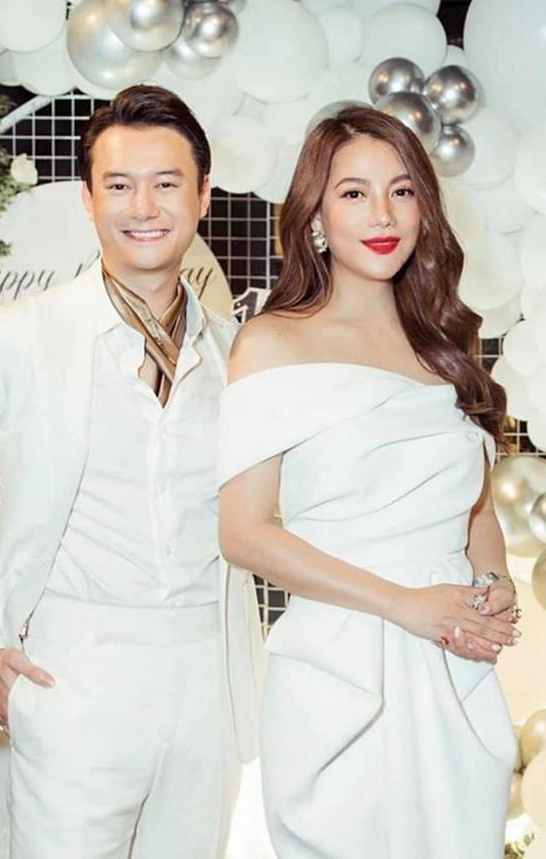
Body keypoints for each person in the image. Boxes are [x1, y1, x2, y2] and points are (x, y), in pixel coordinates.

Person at [0, 85, 264, 859]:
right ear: (87, 198)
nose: (143, 207)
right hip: (73, 674)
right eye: (119, 184)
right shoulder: (16, 337)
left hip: (209, 683)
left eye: (166, 183)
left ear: (202, 195)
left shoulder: (237, 351)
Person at [218, 107, 519, 858]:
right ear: (315, 215)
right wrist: (400, 603)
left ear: (424, 208)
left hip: (451, 667)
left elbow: (475, 507)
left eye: (401, 191)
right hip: (340, 669)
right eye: (353, 193)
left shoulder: (445, 345)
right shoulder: (272, 342)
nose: (382, 214)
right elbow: (243, 533)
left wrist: (494, 580)